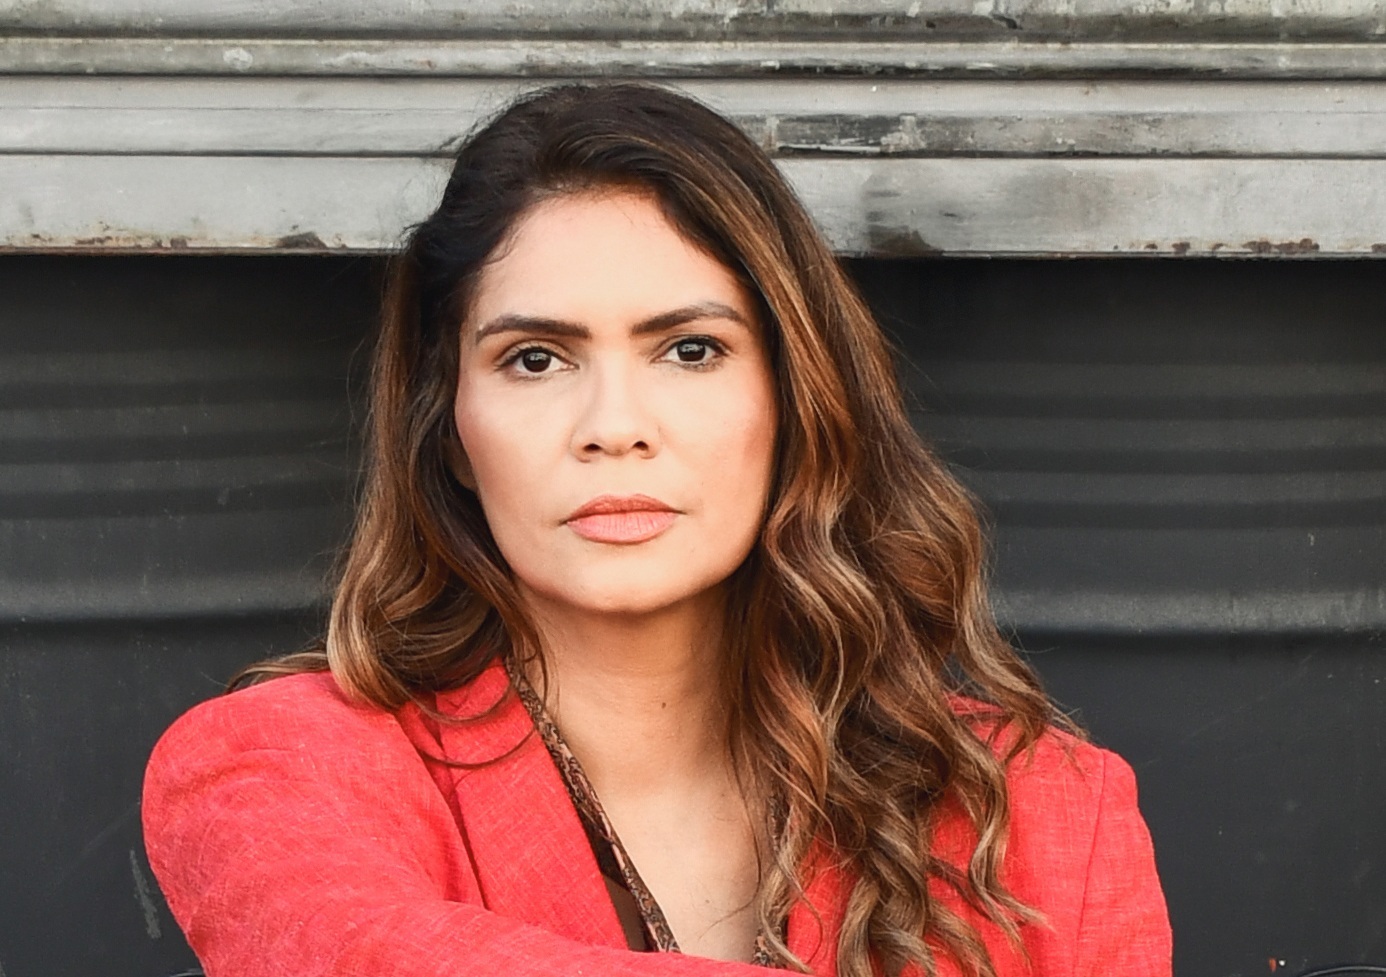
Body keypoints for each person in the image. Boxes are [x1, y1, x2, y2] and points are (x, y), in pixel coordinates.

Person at [142, 82, 1171, 977]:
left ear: (795, 398)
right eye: (536, 359)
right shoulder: (279, 767)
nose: (614, 427)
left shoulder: (1043, 812)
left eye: (689, 349)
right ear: (449, 428)